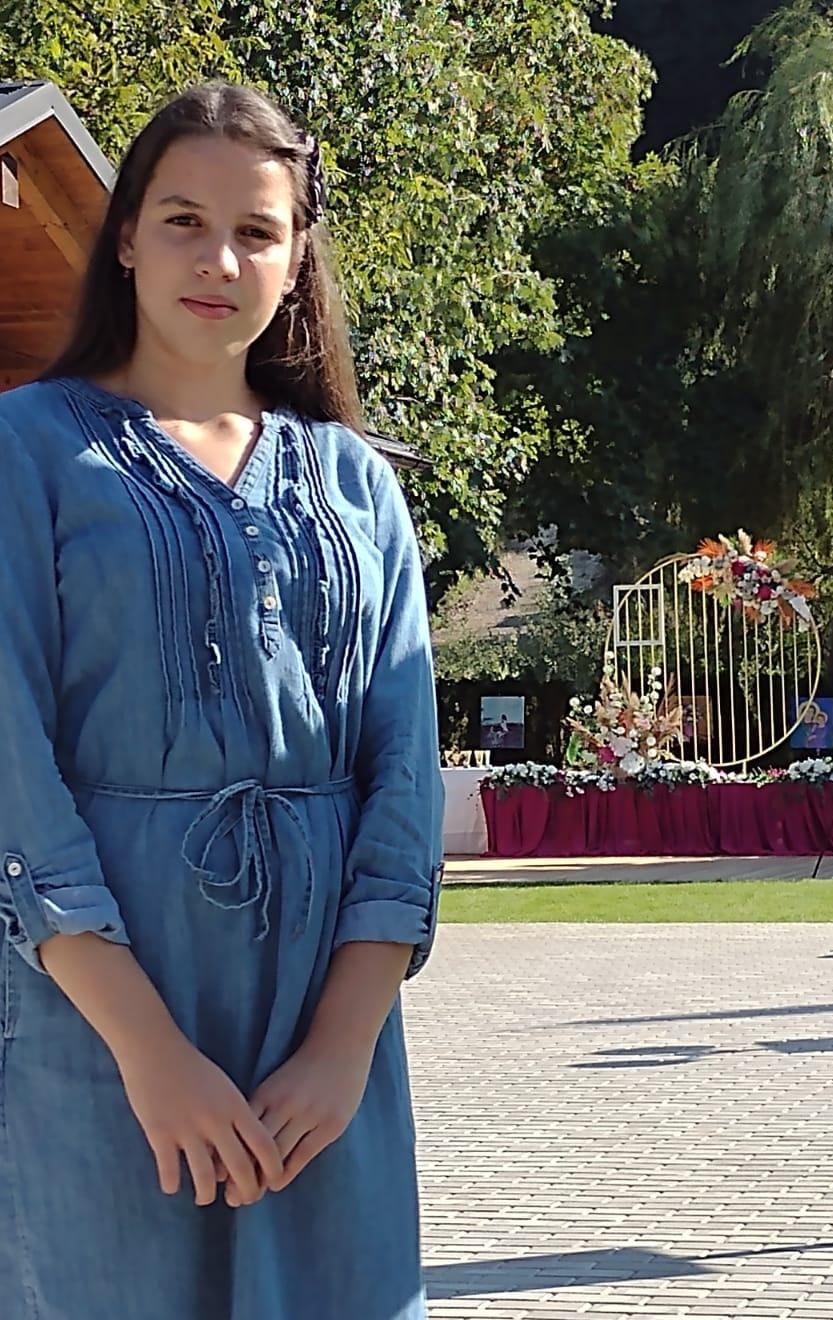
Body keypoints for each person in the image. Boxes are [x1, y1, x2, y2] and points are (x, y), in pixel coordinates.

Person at [0, 81, 445, 1320]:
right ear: (125, 238)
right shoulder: (26, 453)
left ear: (297, 259)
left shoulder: (355, 482)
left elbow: (403, 776)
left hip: (321, 1021)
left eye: (257, 230)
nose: (220, 260)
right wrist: (148, 1052)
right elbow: (9, 762)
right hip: (97, 1012)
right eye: (184, 222)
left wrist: (343, 1044)